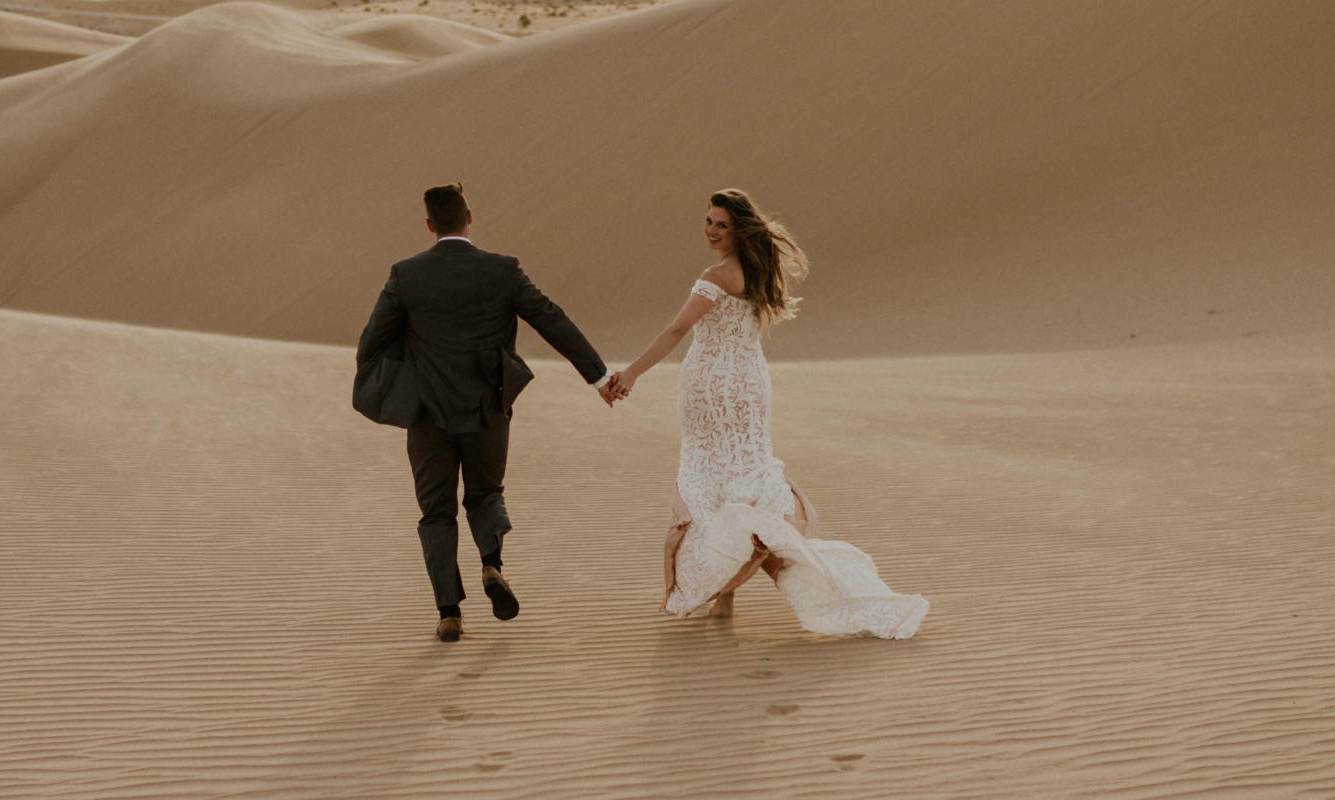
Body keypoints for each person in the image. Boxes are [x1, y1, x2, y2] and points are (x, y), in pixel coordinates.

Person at [604, 189, 927, 639]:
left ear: (738, 229)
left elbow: (678, 328)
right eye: (708, 221)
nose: (711, 231)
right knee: (741, 473)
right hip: (750, 385)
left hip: (712, 387)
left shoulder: (716, 275)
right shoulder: (760, 270)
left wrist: (632, 373)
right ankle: (727, 595)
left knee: (710, 478)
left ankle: (719, 591)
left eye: (721, 224)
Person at [355, 183, 615, 642]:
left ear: (430, 225)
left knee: (436, 513)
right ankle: (492, 566)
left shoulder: (406, 275)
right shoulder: (503, 271)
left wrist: (402, 378)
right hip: (487, 410)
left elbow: (371, 342)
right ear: (469, 218)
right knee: (485, 493)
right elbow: (551, 318)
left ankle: (449, 613)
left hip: (428, 416)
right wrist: (597, 376)